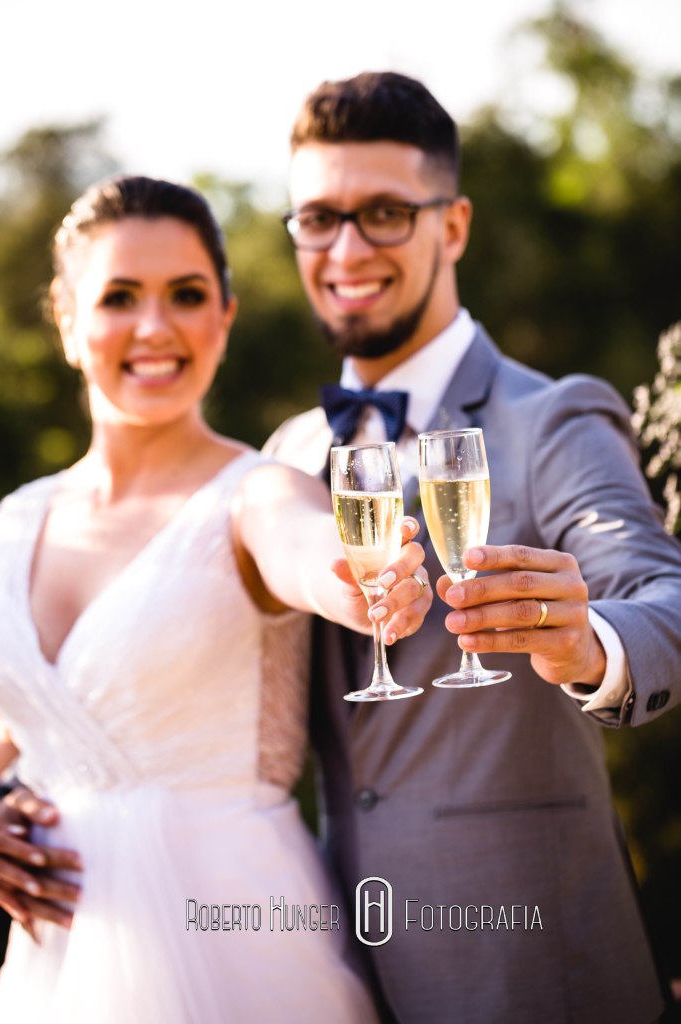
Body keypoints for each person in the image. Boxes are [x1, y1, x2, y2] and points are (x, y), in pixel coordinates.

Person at [262, 72, 681, 1023]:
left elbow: (664, 595)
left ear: (451, 227)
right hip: (334, 966)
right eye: (317, 219)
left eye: (382, 214)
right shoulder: (285, 456)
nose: (345, 249)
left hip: (534, 967)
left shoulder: (551, 415)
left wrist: (590, 644)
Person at [0, 173, 432, 1023]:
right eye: (120, 296)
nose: (155, 327)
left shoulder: (258, 493)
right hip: (56, 967)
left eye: (186, 295)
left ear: (223, 317)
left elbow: (308, 549)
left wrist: (357, 578)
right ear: (66, 318)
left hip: (240, 946)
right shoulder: (12, 524)